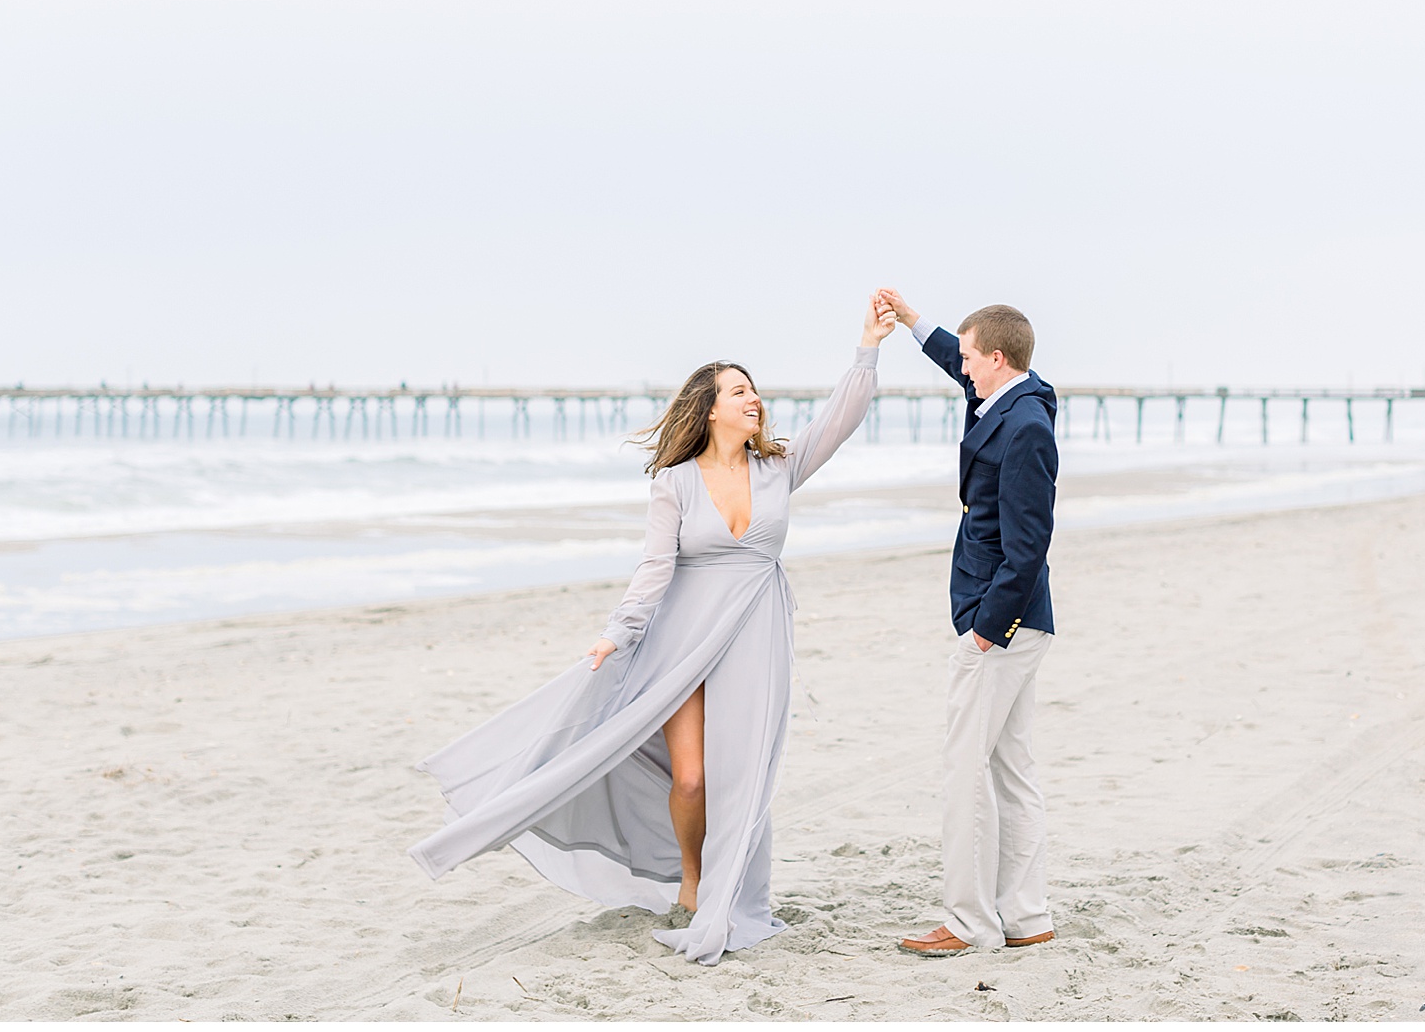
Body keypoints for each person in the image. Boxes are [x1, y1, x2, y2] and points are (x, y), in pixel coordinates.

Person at [407, 295, 897, 967]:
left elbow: (839, 419)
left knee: (741, 777)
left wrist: (866, 347)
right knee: (690, 781)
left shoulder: (779, 465)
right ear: (710, 407)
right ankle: (692, 879)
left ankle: (729, 896)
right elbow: (653, 571)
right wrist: (617, 632)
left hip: (755, 640)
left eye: (753, 389)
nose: (754, 399)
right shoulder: (673, 483)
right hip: (681, 644)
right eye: (739, 390)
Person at [876, 289, 1060, 957]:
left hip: (1002, 624)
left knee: (964, 771)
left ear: (999, 357)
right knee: (1011, 768)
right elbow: (955, 359)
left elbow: (1028, 544)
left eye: (971, 356)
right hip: (1013, 621)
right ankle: (1026, 915)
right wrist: (909, 319)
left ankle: (971, 922)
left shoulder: (1026, 427)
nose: (963, 366)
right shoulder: (1008, 397)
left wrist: (986, 626)